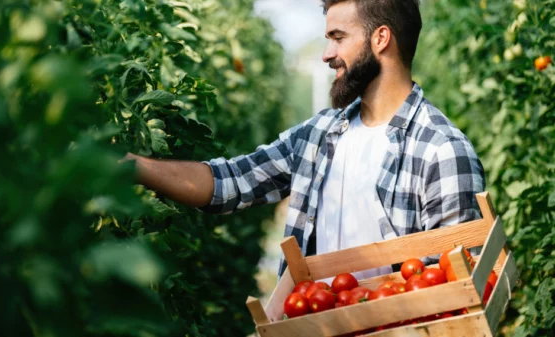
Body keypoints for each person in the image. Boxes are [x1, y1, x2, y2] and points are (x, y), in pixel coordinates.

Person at [124, 0, 485, 280]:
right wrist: (132, 167)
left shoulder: (441, 151)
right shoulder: (318, 135)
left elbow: (454, 288)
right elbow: (228, 183)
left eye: (338, 38)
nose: (327, 54)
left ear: (381, 39)